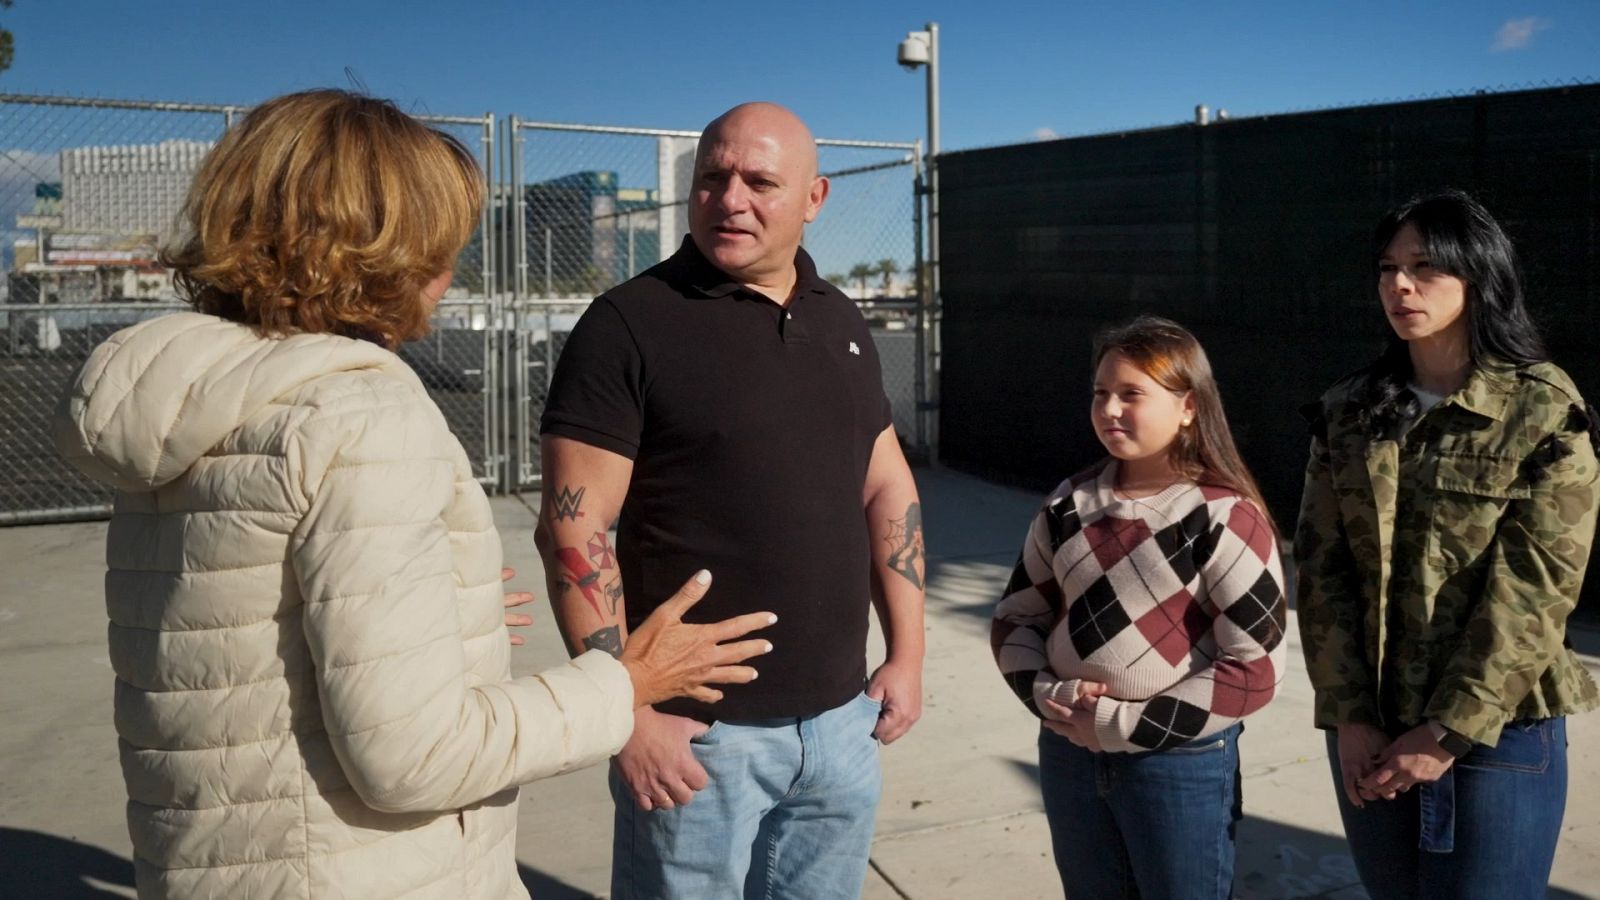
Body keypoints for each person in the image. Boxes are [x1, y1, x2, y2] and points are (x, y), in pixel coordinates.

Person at [51, 89, 772, 899]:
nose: (448, 269)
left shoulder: (194, 399)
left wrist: (428, 602)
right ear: (379, 250)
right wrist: (626, 684)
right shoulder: (357, 416)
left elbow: (242, 629)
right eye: (437, 240)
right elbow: (415, 758)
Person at [536, 101, 926, 898]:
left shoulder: (839, 318)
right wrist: (627, 715)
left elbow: (887, 482)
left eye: (759, 181)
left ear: (814, 199)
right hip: (697, 742)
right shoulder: (628, 326)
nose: (731, 199)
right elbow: (575, 527)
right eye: (712, 178)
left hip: (841, 727)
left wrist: (909, 655)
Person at [1295, 189, 1600, 899]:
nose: (1399, 285)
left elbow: (1537, 587)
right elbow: (1322, 569)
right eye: (1387, 268)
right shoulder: (1349, 410)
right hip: (1371, 728)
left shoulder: (1543, 410)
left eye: (1426, 267)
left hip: (1501, 734)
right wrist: (1348, 714)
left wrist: (1447, 730)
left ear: (1479, 277)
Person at [991, 315, 1287, 899]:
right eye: (1101, 393)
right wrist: (1047, 696)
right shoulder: (1067, 504)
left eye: (1132, 394)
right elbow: (1015, 619)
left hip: (1178, 768)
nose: (1110, 410)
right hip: (1070, 755)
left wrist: (1121, 725)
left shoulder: (1224, 515)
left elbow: (1255, 671)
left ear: (1188, 408)